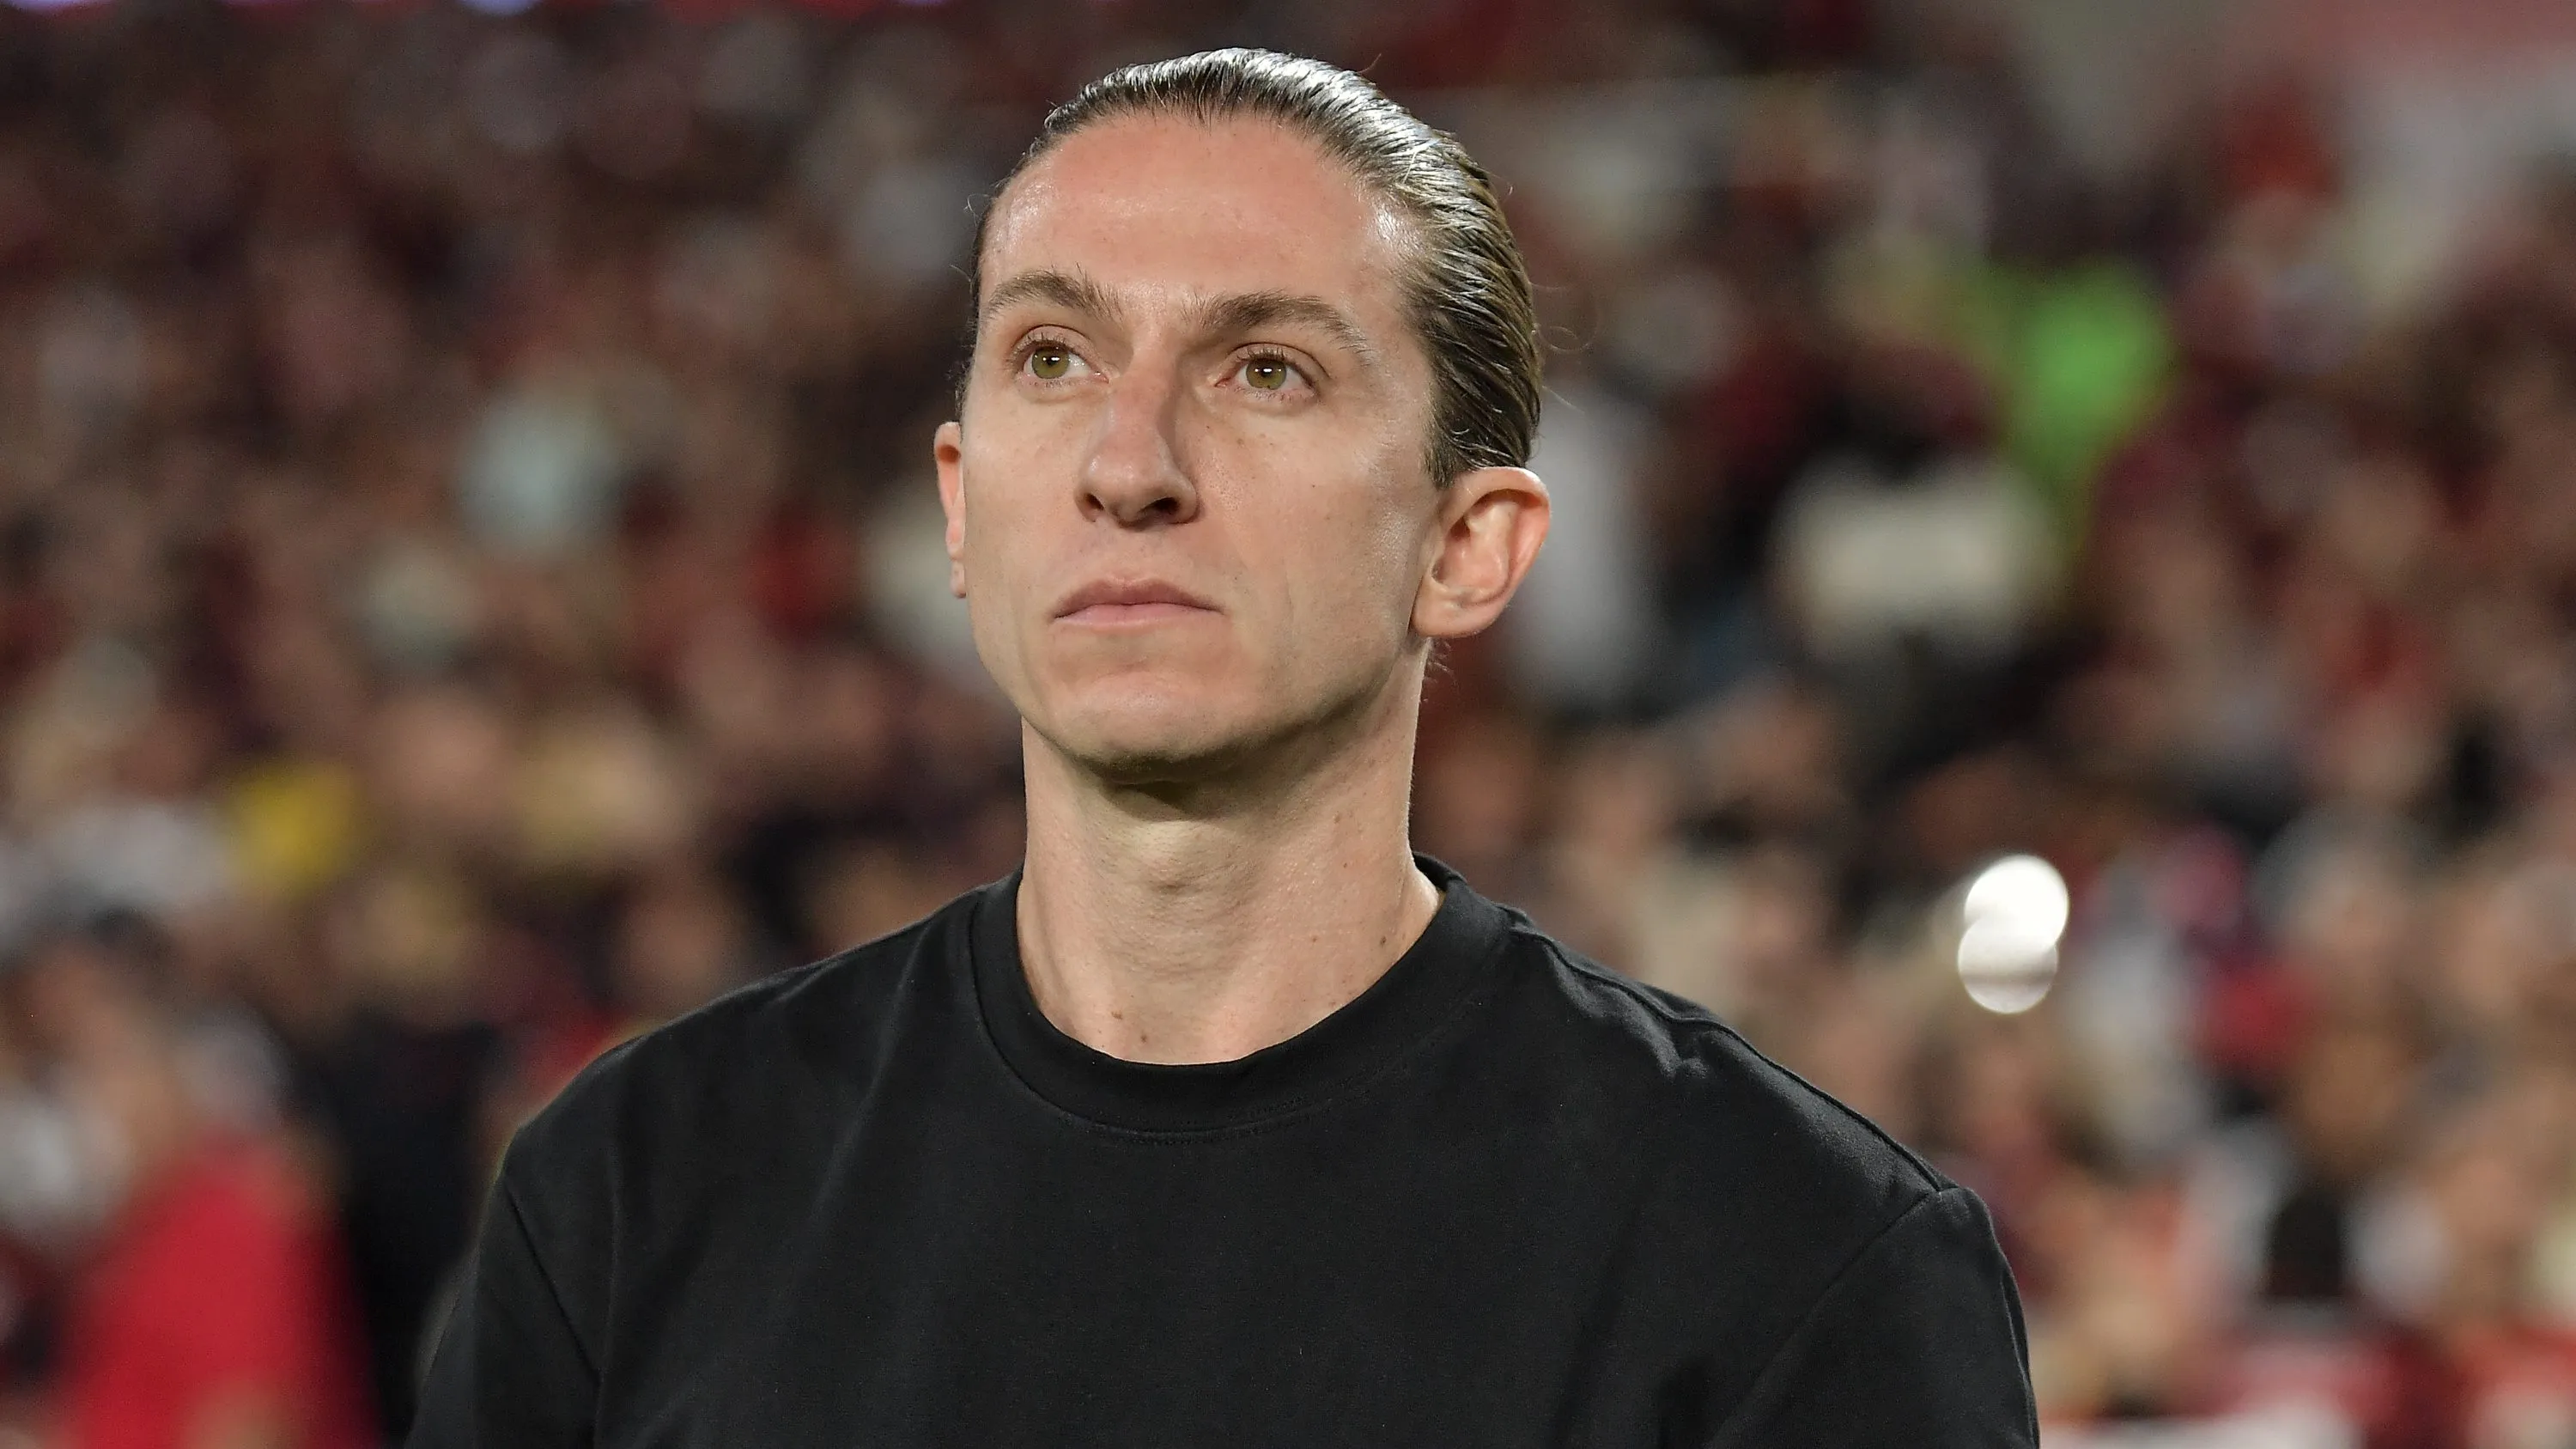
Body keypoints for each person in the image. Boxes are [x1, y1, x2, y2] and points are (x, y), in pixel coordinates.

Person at [410, 49, 2038, 1446]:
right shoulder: (634, 1195)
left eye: (1267, 369)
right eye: (1055, 356)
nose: (1130, 463)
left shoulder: (1794, 1265)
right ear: (963, 506)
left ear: (1466, 545)